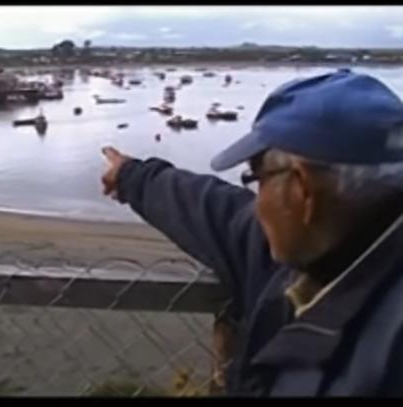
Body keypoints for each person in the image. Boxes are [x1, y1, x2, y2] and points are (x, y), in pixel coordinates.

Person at [101, 69, 403, 396]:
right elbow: (219, 212)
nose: (257, 204)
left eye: (257, 179)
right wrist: (133, 177)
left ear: (301, 189)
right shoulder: (318, 250)